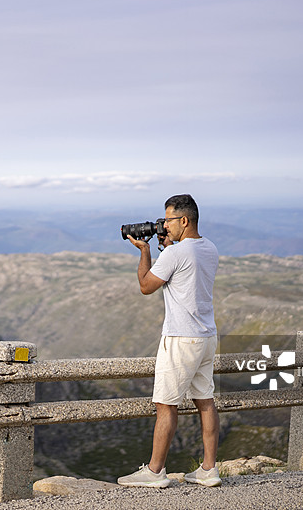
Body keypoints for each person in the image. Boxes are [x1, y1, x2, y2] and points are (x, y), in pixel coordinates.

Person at [117, 194, 222, 488]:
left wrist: (145, 250)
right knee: (205, 401)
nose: (164, 224)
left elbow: (145, 286)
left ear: (184, 220)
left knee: (166, 404)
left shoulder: (174, 255)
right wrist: (168, 246)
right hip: (206, 336)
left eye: (169, 220)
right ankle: (208, 470)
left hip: (180, 338)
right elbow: (187, 269)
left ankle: (154, 471)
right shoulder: (210, 248)